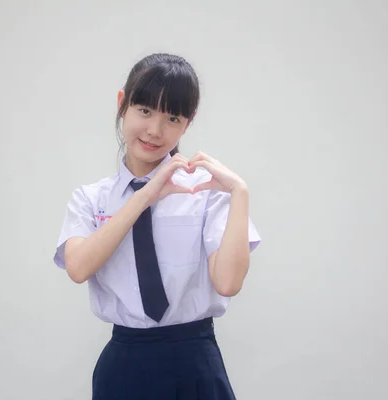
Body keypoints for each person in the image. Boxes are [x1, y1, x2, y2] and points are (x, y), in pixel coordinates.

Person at [53, 53, 261, 399]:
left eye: (172, 117)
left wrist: (240, 192)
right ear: (123, 104)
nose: (154, 130)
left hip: (195, 363)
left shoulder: (206, 193)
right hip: (124, 365)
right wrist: (144, 196)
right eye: (145, 110)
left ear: (187, 123)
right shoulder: (90, 199)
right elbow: (78, 267)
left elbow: (228, 282)